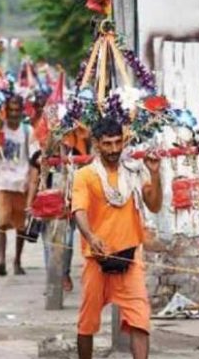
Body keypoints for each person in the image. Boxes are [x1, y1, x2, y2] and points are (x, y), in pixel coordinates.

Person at [71, 117, 162, 359]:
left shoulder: (134, 171)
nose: (113, 149)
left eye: (117, 142)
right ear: (96, 145)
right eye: (107, 144)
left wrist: (155, 175)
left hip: (130, 259)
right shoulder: (85, 176)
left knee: (140, 321)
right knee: (87, 324)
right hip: (96, 260)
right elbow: (78, 210)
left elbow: (154, 205)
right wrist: (90, 237)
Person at [0, 95, 36, 276]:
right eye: (11, 110)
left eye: (17, 110)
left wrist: (33, 183)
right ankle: (1, 261)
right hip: (3, 183)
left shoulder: (27, 131)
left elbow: (34, 157)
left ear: (22, 111)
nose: (14, 114)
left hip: (21, 184)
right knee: (1, 223)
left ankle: (17, 260)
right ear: (6, 111)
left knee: (20, 227)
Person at [27, 145, 76, 292]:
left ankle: (65, 274)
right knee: (48, 245)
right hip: (46, 208)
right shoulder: (39, 156)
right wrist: (30, 205)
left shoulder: (74, 153)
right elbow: (34, 182)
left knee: (67, 243)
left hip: (67, 207)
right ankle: (52, 280)